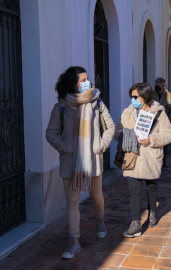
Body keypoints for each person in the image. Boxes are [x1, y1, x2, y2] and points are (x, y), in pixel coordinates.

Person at [46, 66, 115, 259]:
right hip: (71, 162)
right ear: (72, 83)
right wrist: (64, 147)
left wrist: (101, 145)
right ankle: (74, 241)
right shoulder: (61, 106)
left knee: (97, 196)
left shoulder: (97, 102)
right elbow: (51, 133)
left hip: (92, 159)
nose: (87, 82)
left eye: (87, 78)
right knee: (72, 202)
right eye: (82, 79)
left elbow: (110, 127)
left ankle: (100, 220)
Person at [114, 83, 171, 238]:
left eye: (135, 97)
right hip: (132, 157)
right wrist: (127, 135)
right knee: (134, 191)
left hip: (150, 158)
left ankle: (152, 211)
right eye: (131, 97)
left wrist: (151, 139)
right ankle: (135, 223)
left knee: (151, 187)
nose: (133, 99)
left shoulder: (158, 113)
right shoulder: (128, 113)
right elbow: (116, 132)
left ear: (145, 96)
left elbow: (168, 134)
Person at [153, 77, 171, 168]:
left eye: (159, 85)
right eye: (156, 84)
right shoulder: (151, 94)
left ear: (163, 86)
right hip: (153, 121)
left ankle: (164, 159)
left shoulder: (169, 95)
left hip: (164, 121)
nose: (157, 86)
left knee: (164, 142)